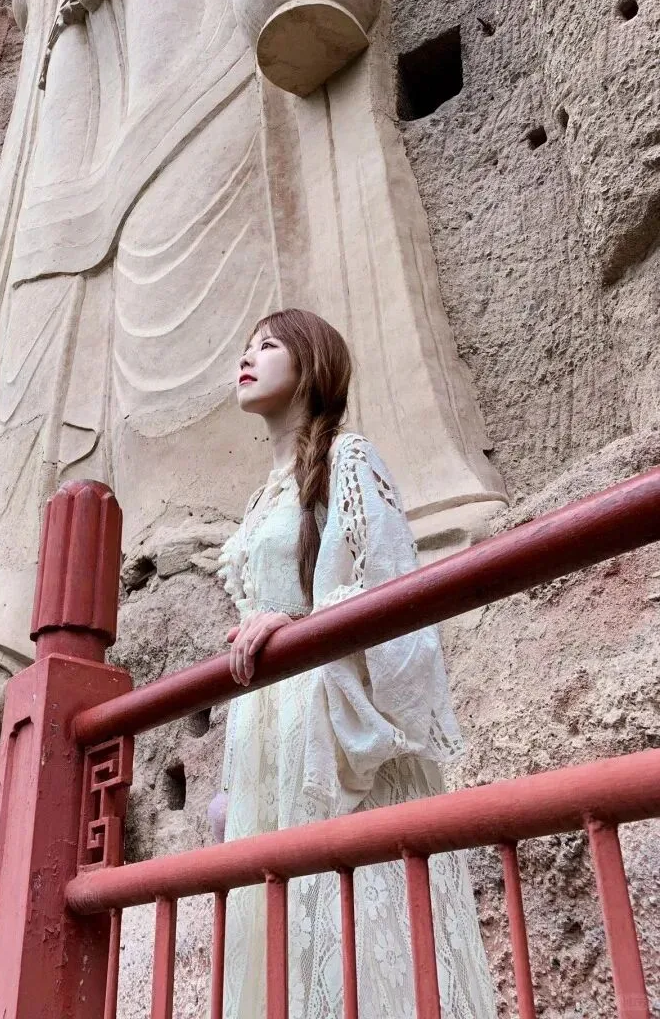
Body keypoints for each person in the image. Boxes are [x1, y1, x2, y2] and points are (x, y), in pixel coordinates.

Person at [212, 308, 496, 1018]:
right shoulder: (260, 497)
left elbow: (388, 591)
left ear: (310, 364)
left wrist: (300, 623)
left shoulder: (349, 458)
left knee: (356, 924)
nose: (247, 358)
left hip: (332, 719)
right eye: (245, 348)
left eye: (267, 346)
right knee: (282, 926)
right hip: (273, 730)